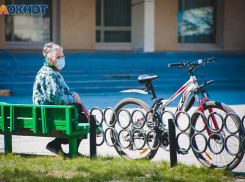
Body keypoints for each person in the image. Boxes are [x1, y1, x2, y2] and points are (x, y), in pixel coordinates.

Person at [32, 42, 88, 156]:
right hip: (49, 116)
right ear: (49, 59)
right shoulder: (49, 74)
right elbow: (55, 98)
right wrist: (73, 100)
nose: (62, 59)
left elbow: (58, 92)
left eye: (62, 56)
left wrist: (72, 94)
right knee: (81, 119)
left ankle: (56, 145)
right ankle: (69, 150)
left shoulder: (51, 71)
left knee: (79, 116)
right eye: (58, 57)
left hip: (51, 113)